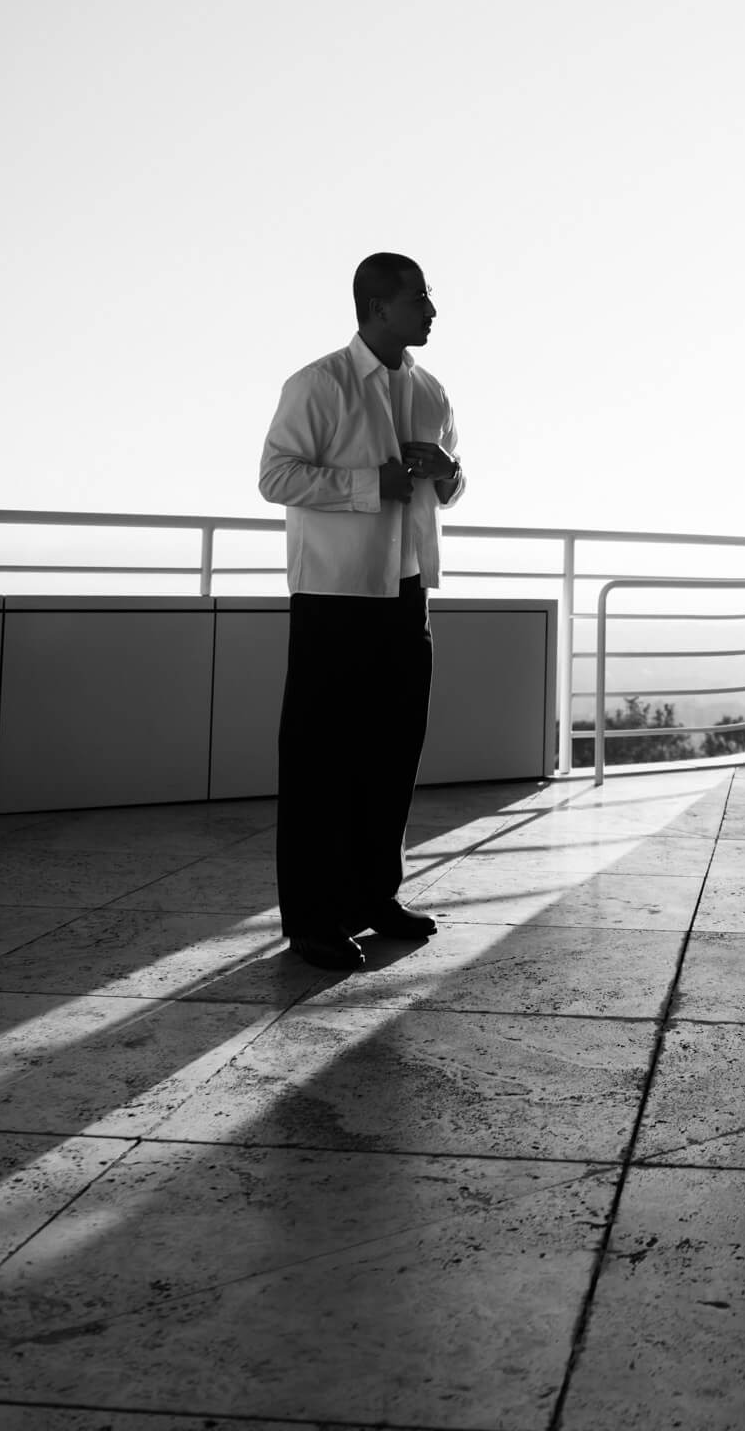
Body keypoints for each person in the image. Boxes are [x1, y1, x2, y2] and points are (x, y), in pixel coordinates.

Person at [259, 252, 465, 970]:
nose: (431, 311)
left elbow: (451, 482)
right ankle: (313, 921)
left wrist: (449, 474)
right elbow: (275, 476)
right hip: (334, 595)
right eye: (419, 298)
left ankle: (375, 898)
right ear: (378, 307)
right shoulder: (318, 384)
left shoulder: (432, 391)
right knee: (320, 765)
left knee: (392, 755)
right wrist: (368, 485)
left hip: (408, 595)